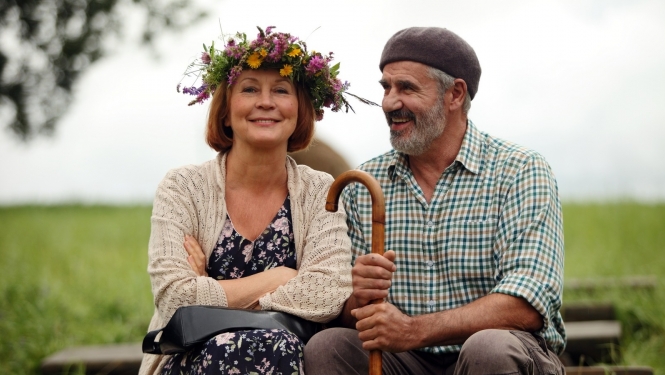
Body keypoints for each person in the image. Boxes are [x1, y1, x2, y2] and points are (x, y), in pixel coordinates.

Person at [304, 27, 566, 375]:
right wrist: (358, 296)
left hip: (498, 353)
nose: (390, 102)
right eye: (386, 87)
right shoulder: (363, 184)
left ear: (455, 94)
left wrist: (413, 330)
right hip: (402, 361)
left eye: (407, 88)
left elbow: (526, 306)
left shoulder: (520, 171)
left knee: (489, 348)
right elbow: (345, 312)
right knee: (329, 347)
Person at [139, 26, 365, 375]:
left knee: (275, 347)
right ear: (226, 112)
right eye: (249, 89)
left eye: (280, 89)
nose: (266, 101)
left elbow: (328, 292)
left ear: (298, 111)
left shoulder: (321, 190)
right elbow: (175, 298)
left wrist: (210, 289)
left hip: (288, 359)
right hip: (195, 360)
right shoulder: (181, 188)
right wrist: (278, 279)